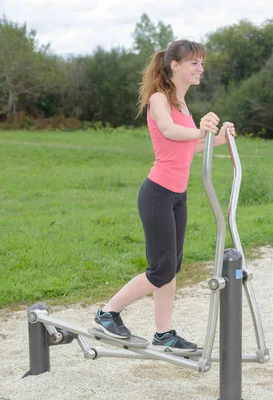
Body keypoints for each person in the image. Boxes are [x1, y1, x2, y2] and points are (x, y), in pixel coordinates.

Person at [94, 39, 235, 351]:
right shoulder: (159, 99)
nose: (201, 68)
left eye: (201, 63)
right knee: (160, 269)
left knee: (171, 268)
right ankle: (107, 313)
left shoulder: (183, 105)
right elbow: (170, 131)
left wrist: (219, 139)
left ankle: (164, 333)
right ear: (175, 65)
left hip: (177, 196)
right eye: (194, 63)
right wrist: (201, 131)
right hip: (157, 194)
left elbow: (188, 146)